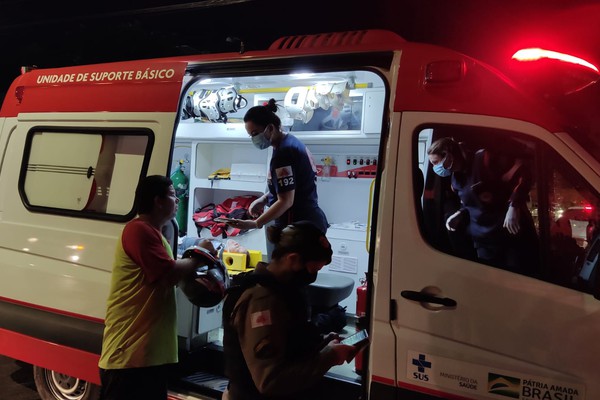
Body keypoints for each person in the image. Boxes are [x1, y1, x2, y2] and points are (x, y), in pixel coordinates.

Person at [98, 175, 217, 400]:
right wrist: (202, 256)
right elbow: (168, 273)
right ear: (158, 201)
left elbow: (174, 276)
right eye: (173, 195)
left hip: (148, 357)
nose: (177, 201)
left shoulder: (157, 236)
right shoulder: (138, 230)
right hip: (129, 357)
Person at [222, 221, 360, 400]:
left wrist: (322, 346)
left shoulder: (282, 291)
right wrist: (329, 357)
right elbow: (271, 380)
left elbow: (289, 345)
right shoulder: (262, 301)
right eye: (314, 268)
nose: (313, 275)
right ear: (293, 259)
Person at [427, 137, 539, 275]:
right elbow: (469, 204)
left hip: (510, 238)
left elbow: (522, 173)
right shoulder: (455, 181)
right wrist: (460, 213)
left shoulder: (484, 159)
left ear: (447, 154)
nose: (435, 168)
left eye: (436, 162)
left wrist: (513, 206)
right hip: (484, 244)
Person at [226, 99, 329, 239]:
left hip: (300, 226)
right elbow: (289, 186)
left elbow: (286, 201)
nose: (254, 138)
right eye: (251, 135)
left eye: (255, 133)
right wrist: (263, 199)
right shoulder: (288, 143)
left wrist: (255, 223)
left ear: (270, 128)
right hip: (307, 221)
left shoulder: (284, 153)